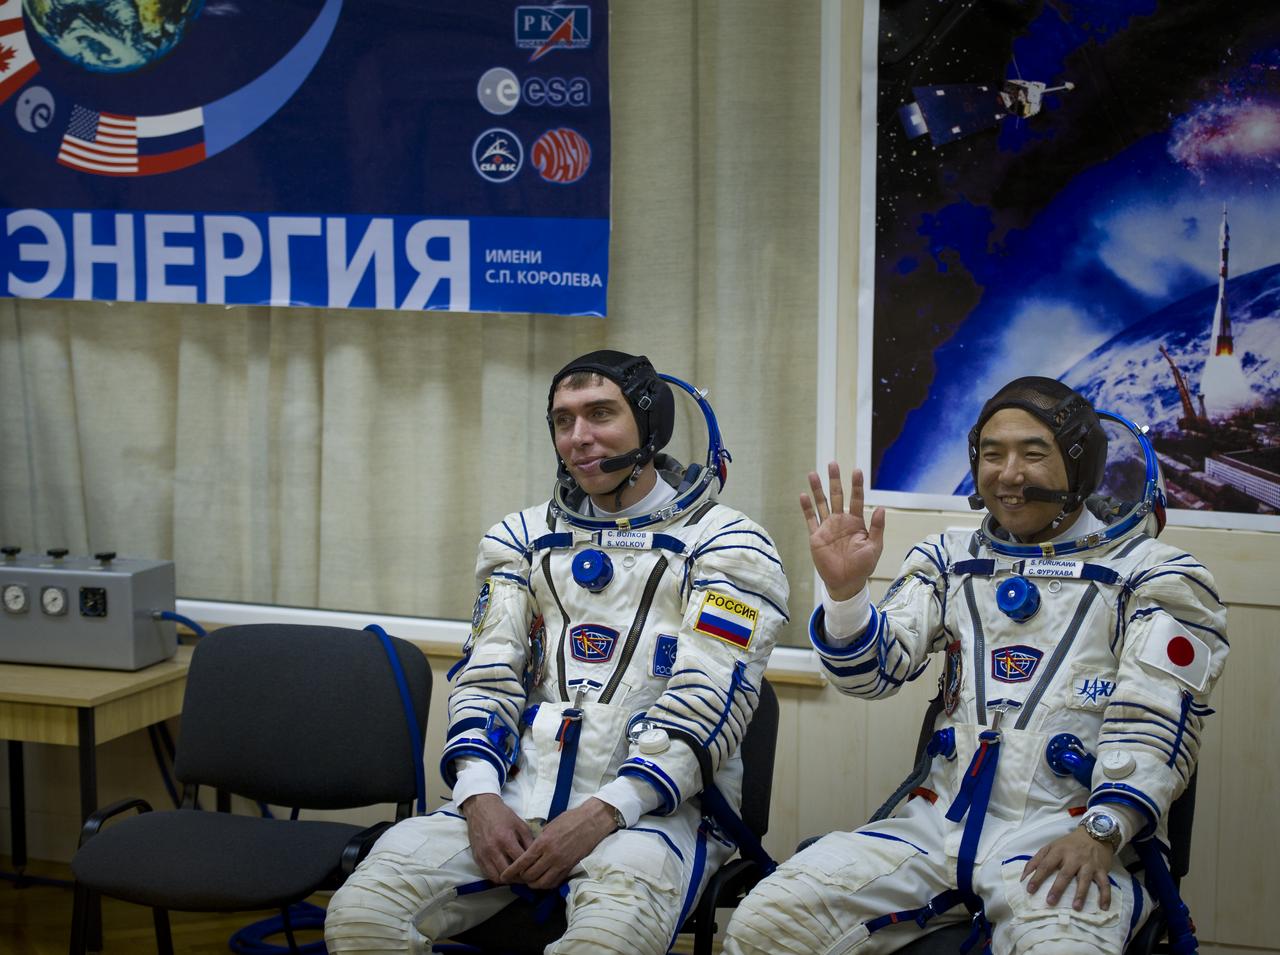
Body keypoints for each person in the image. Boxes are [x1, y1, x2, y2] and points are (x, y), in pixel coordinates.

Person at [724, 376, 1228, 954]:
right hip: (935, 825)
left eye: (1033, 454)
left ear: (1080, 466)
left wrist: (1103, 830)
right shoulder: (950, 562)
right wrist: (845, 597)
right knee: (768, 923)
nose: (1008, 475)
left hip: (1068, 830)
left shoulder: (1156, 578)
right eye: (992, 455)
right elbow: (870, 676)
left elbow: (1154, 723)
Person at [325, 350, 789, 954]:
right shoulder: (519, 540)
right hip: (515, 797)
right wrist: (478, 796)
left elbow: (710, 706)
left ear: (650, 427)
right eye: (563, 420)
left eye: (601, 414)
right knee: (359, 917)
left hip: (657, 815)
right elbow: (485, 679)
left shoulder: (729, 547)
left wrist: (605, 811)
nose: (579, 437)